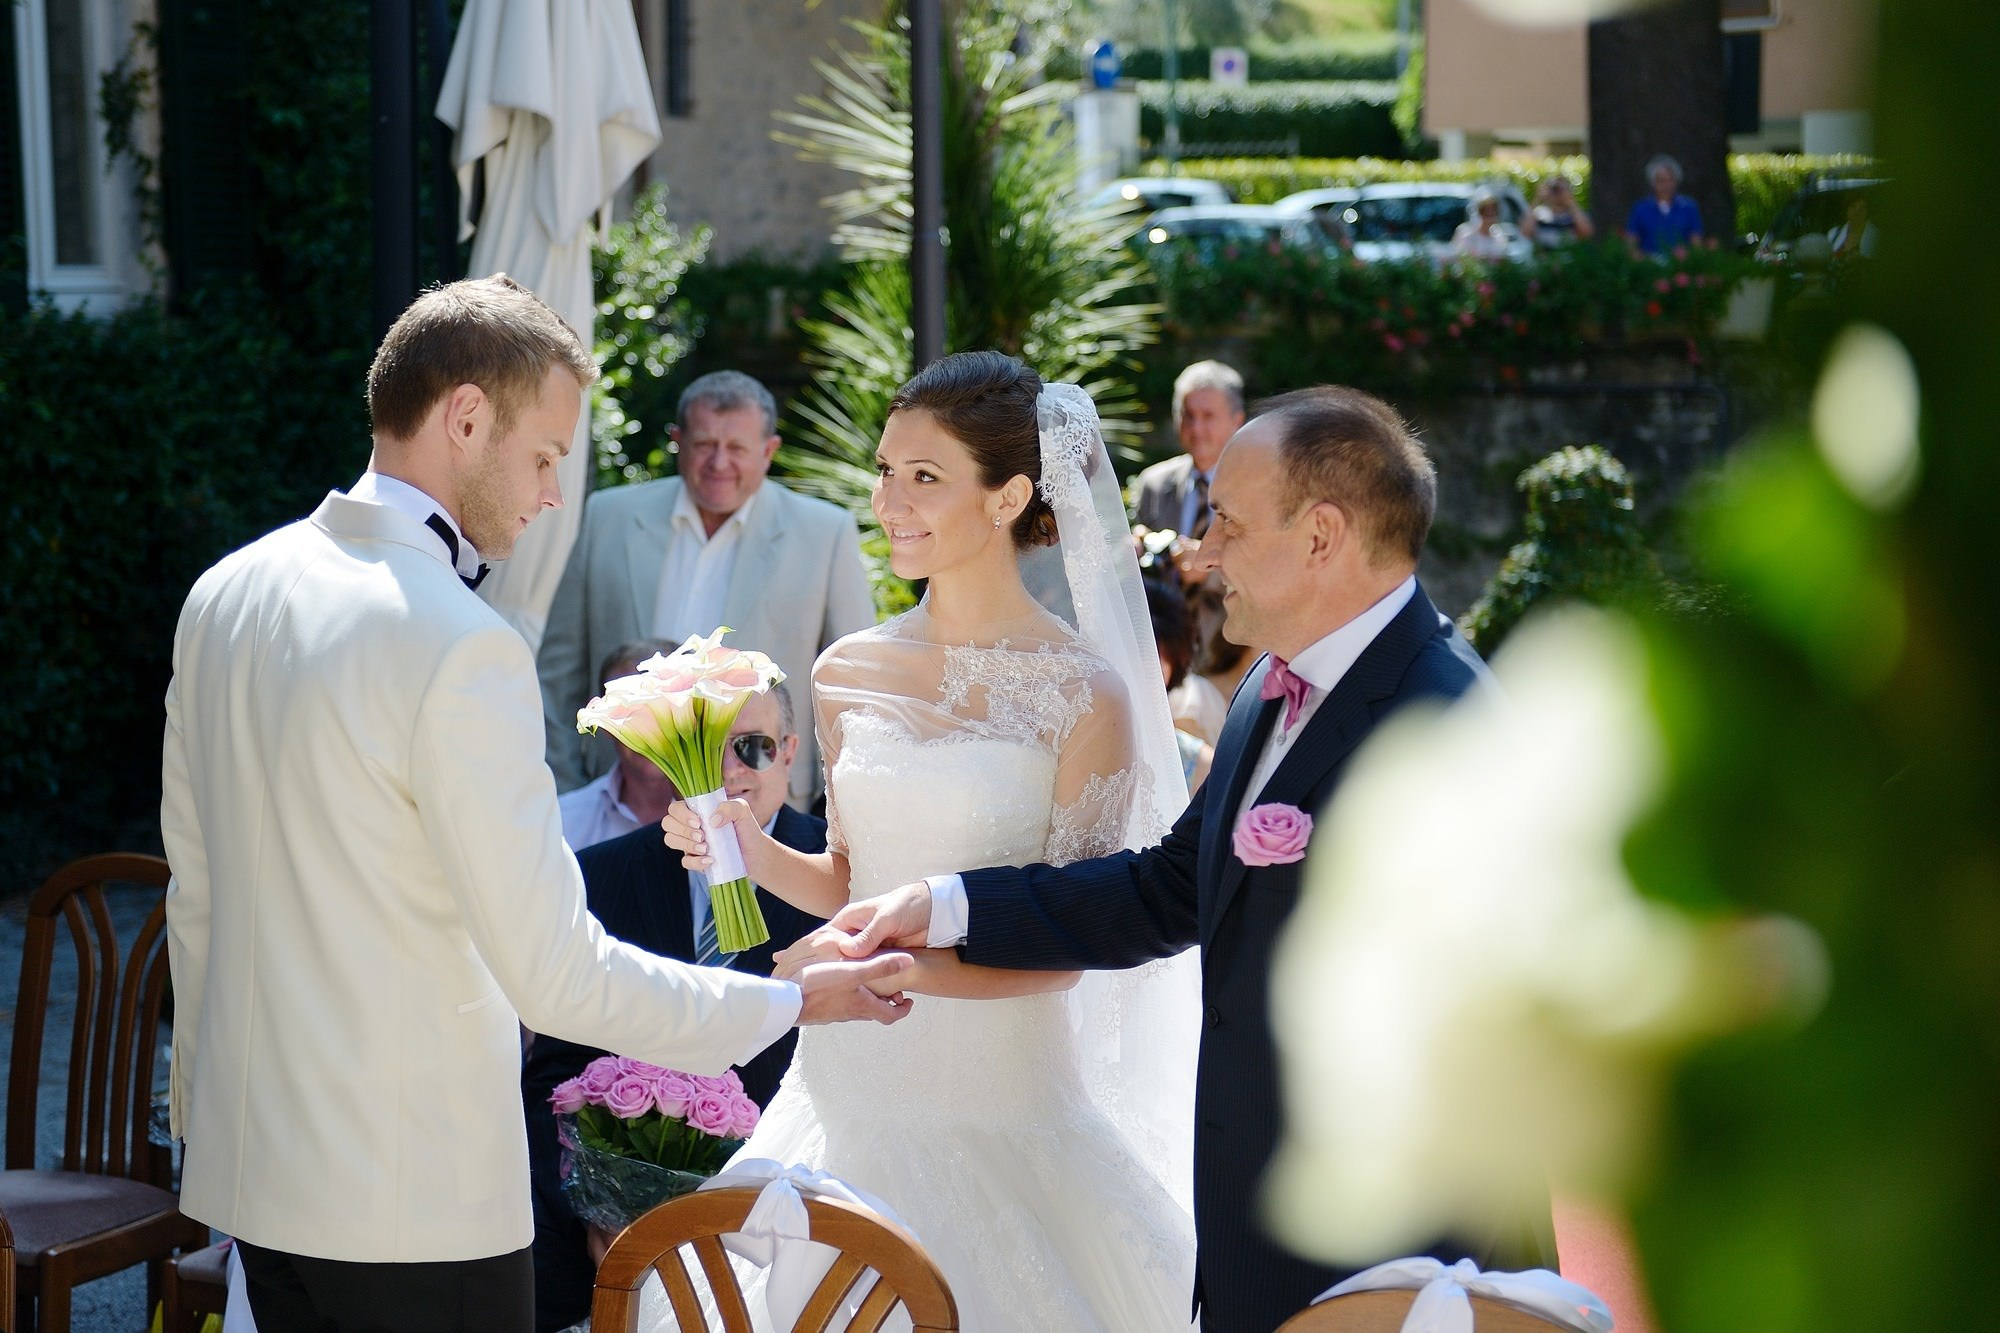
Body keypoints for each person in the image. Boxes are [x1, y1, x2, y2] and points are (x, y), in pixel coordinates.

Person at [159, 275, 912, 1333]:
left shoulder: (224, 592)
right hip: (412, 1197)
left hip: (254, 1176)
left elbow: (194, 898)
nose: (555, 493)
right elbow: (556, 973)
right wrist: (786, 1000)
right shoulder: (464, 644)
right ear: (466, 418)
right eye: (547, 455)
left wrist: (205, 1129)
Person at [824, 385, 1556, 1333]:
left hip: (1392, 1264)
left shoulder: (1445, 730)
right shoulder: (1269, 689)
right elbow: (1166, 888)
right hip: (1264, 1249)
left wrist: (1411, 1301)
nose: (1203, 554)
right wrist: (946, 902)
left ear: (1322, 536)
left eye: (1229, 523)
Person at [660, 351, 1202, 1331]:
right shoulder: (842, 670)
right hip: (841, 1097)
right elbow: (850, 878)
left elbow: (1073, 942)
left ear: (1008, 498)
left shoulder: (1086, 692)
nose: (889, 501)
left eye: (923, 476)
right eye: (884, 470)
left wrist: (884, 968)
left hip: (1002, 1110)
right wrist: (745, 844)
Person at [525, 682, 828, 1333]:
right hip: (619, 1234)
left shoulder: (844, 878)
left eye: (752, 746)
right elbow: (554, 1071)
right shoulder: (599, 876)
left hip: (798, 1216)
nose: (729, 770)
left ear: (789, 751)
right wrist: (595, 1207)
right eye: (704, 749)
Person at [536, 370, 875, 807]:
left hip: (760, 799)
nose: (719, 463)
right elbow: (557, 674)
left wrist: (833, 808)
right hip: (620, 797)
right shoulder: (608, 517)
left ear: (768, 451)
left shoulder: (824, 533)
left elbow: (851, 689)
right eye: (704, 445)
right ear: (678, 441)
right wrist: (566, 786)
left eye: (737, 448)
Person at [557, 638, 681, 849]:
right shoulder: (564, 822)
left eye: (663, 708)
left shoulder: (730, 815)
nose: (648, 729)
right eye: (629, 711)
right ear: (603, 722)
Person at [1130, 359, 1246, 539]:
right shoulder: (1154, 484)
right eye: (1188, 415)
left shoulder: (1258, 486)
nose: (1196, 428)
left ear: (1236, 421)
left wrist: (1200, 556)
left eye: (1208, 416)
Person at [1624, 154, 1705, 255]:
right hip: (1649, 262)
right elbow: (1631, 242)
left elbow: (1696, 242)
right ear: (1653, 183)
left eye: (1671, 180)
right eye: (1661, 181)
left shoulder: (1689, 207)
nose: (1667, 185)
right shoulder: (1641, 208)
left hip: (1681, 262)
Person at [1527, 174, 1595, 247]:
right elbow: (1525, 233)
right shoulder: (1539, 213)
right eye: (1553, 189)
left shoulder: (1574, 214)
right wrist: (1537, 198)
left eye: (1560, 190)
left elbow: (1587, 233)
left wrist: (1571, 202)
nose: (1556, 193)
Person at [1451, 189, 1514, 260]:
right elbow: (1458, 257)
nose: (1490, 219)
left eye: (1493, 214)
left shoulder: (1499, 235)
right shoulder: (1465, 233)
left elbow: (1502, 258)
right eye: (1486, 214)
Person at [1828, 193, 1879, 260]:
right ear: (1847, 210)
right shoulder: (1833, 233)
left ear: (1867, 211)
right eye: (1853, 206)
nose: (1857, 211)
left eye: (1862, 208)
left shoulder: (1876, 235)